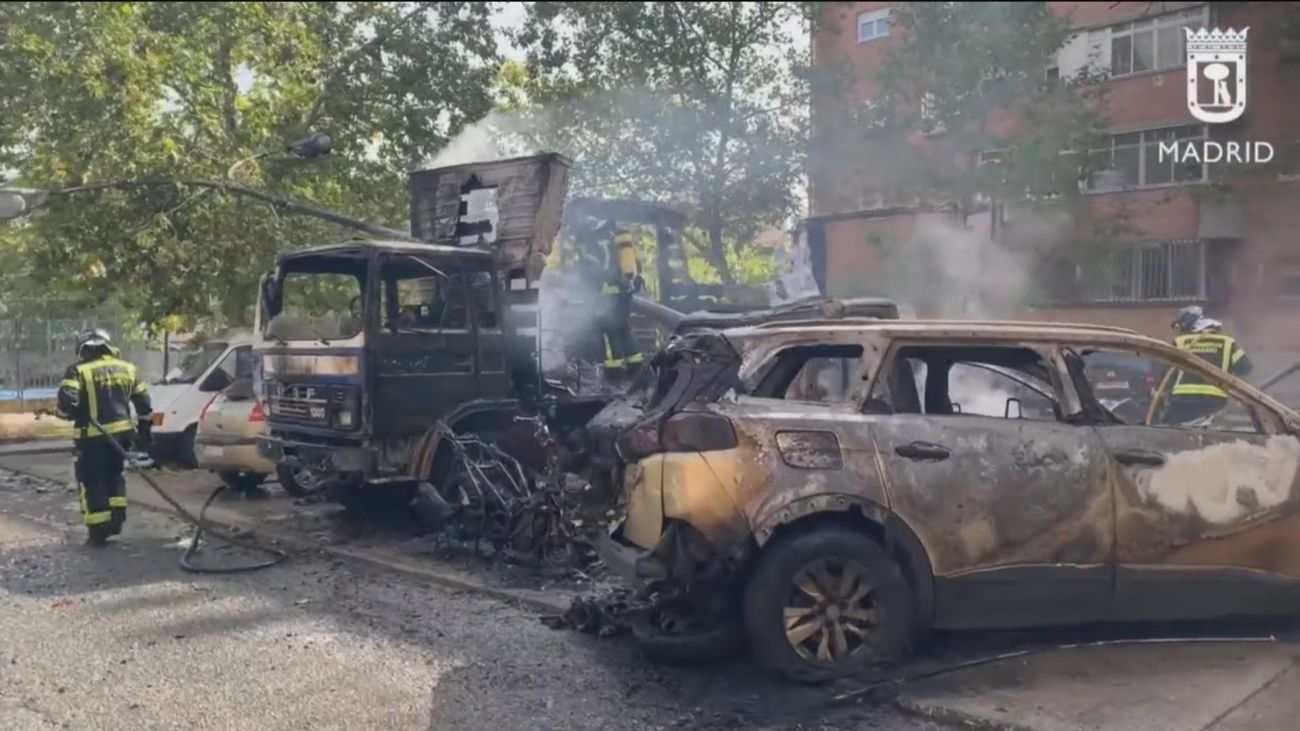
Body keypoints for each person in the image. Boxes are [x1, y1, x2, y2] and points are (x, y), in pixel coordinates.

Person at [55, 329, 153, 546]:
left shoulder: (77, 370)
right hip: (122, 438)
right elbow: (144, 403)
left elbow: (66, 404)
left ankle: (98, 533)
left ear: (83, 348)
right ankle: (116, 523)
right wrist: (144, 434)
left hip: (92, 438)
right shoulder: (127, 368)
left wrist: (73, 412)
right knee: (115, 475)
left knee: (92, 481)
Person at [1162, 307, 1253, 424]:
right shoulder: (1227, 342)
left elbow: (1166, 371)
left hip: (1183, 399)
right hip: (1214, 400)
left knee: (1174, 430)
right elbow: (1245, 368)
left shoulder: (1181, 341)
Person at [595, 226, 646, 385]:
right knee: (624, 330)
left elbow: (599, 270)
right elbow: (637, 265)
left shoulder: (602, 244)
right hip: (625, 295)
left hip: (608, 296)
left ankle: (614, 373)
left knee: (609, 332)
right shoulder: (624, 245)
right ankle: (636, 368)